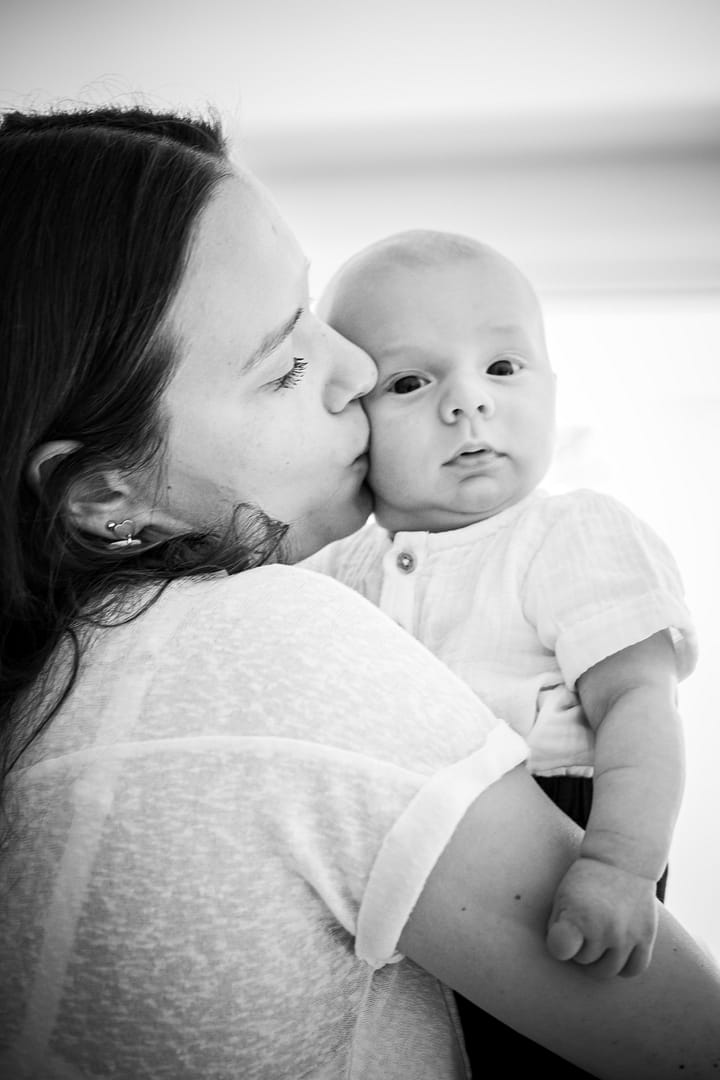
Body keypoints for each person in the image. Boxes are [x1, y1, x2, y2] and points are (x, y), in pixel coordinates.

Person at [0, 108, 718, 1080]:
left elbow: (640, 704)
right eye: (286, 363)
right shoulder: (276, 626)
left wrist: (624, 860)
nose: (354, 373)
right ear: (102, 492)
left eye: (311, 314)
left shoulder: (50, 699)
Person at [303, 230, 699, 1071]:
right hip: (405, 857)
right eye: (411, 382)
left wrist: (621, 866)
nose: (467, 404)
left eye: (503, 369)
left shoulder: (569, 531)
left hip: (564, 833)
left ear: (552, 387)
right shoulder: (335, 568)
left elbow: (638, 705)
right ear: (349, 423)